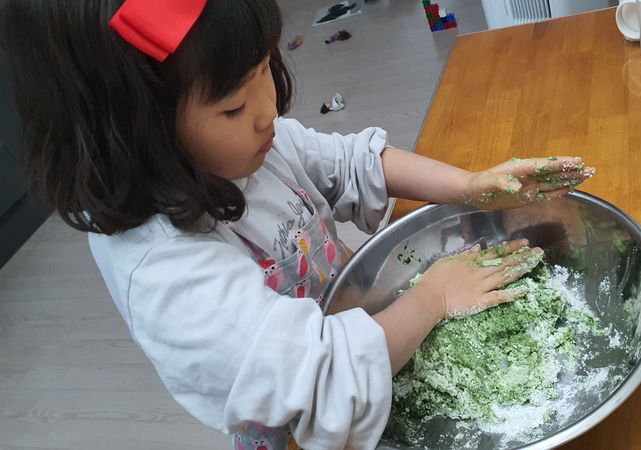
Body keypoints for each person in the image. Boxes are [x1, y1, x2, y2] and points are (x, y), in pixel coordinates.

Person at [0, 0, 595, 448]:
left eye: (264, 68)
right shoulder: (167, 276)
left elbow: (349, 163)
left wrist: (468, 186)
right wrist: (435, 296)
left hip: (374, 336)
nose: (269, 112)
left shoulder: (247, 147)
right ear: (134, 136)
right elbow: (323, 377)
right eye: (233, 106)